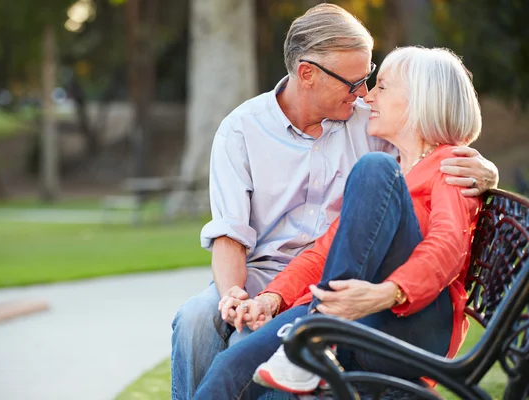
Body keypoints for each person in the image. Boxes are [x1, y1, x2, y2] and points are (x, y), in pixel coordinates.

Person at [171, 4, 498, 399]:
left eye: (378, 84)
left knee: (373, 168)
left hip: (399, 315)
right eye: (358, 83)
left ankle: (318, 333)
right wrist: (271, 297)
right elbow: (326, 245)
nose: (366, 95)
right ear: (307, 74)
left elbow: (447, 243)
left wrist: (388, 292)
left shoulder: (420, 157)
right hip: (319, 296)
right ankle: (316, 333)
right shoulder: (241, 129)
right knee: (227, 360)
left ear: (417, 100)